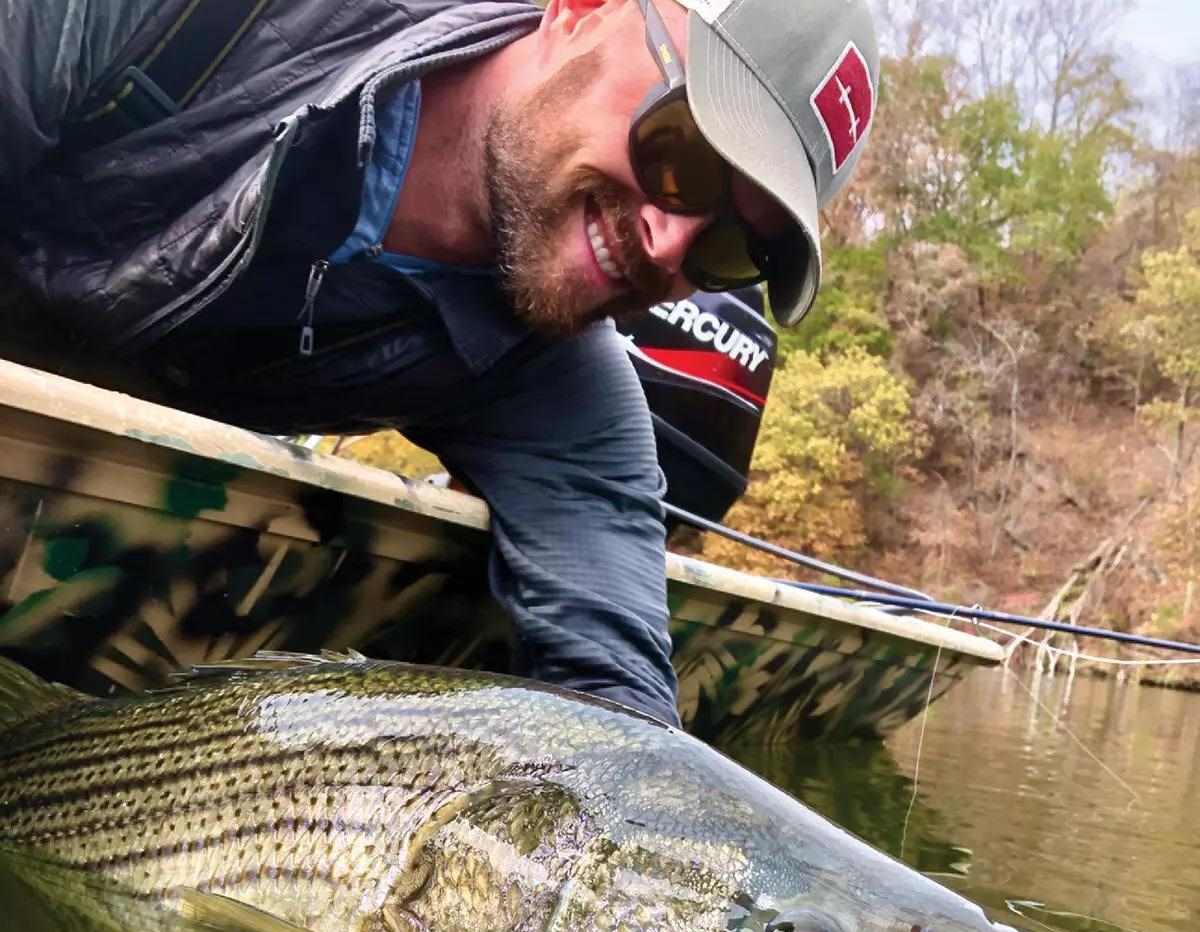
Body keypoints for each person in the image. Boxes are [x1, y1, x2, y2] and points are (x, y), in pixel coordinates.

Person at [0, 0, 878, 727]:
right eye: (682, 155)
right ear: (581, 11)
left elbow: (617, 717)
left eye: (731, 245)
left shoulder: (556, 379)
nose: (668, 241)